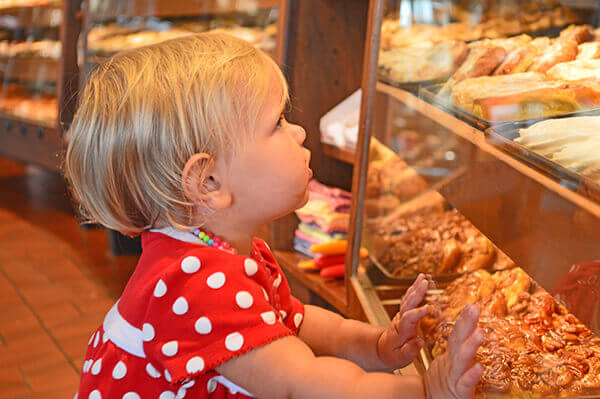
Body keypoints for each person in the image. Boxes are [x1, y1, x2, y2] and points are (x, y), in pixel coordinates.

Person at [65, 32, 483, 399]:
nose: (299, 132)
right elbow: (303, 383)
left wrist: (375, 346)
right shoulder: (195, 284)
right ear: (209, 181)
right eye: (278, 122)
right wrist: (425, 390)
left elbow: (295, 322)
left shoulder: (215, 255)